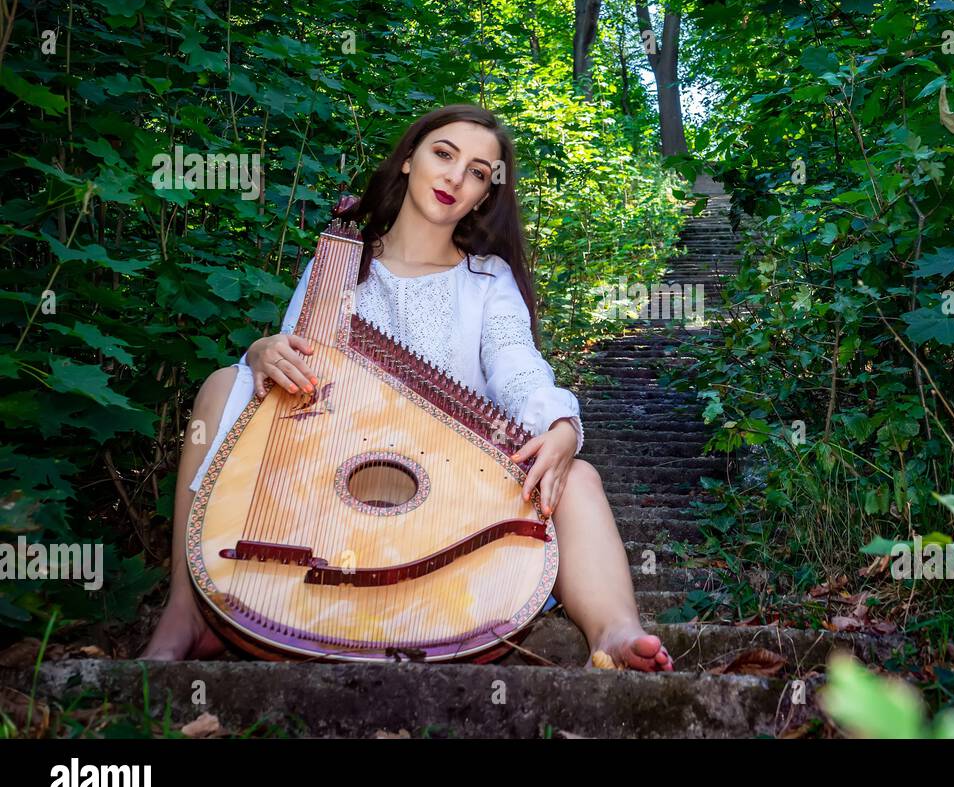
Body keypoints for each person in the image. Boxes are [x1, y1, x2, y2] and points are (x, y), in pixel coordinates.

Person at [140, 103, 673, 672]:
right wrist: (262, 351)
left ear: (485, 196)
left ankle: (615, 630)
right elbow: (295, 379)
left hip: (450, 502)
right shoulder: (341, 265)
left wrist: (559, 426)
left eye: (477, 171)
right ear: (407, 161)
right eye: (443, 154)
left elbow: (518, 366)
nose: (454, 177)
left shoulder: (486, 280)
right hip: (331, 492)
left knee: (577, 475)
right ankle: (187, 612)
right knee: (226, 384)